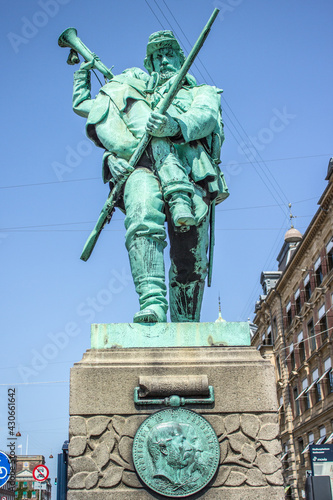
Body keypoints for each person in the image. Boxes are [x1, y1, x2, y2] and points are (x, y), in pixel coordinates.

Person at [72, 30, 229, 323]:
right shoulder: (133, 91)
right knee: (142, 219)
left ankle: (186, 323)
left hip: (192, 172)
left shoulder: (201, 91)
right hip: (142, 169)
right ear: (150, 62)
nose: (164, 60)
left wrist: (173, 125)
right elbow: (99, 114)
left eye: (169, 54)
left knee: (190, 257)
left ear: (181, 58)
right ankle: (153, 304)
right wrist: (112, 158)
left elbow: (205, 118)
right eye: (157, 56)